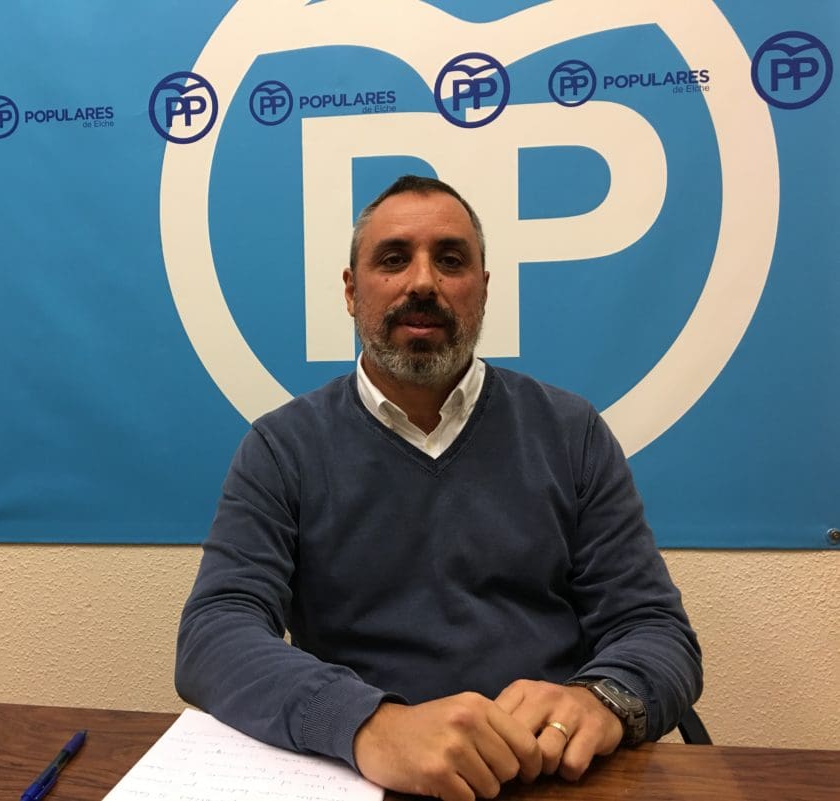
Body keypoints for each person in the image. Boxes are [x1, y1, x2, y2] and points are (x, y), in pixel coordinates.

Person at [176, 175, 702, 801]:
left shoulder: (571, 432)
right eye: (393, 259)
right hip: (364, 775)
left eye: (450, 260)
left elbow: (655, 629)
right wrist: (370, 726)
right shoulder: (282, 447)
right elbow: (215, 633)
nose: (423, 282)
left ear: (484, 288)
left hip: (545, 773)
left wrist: (603, 699)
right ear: (351, 291)